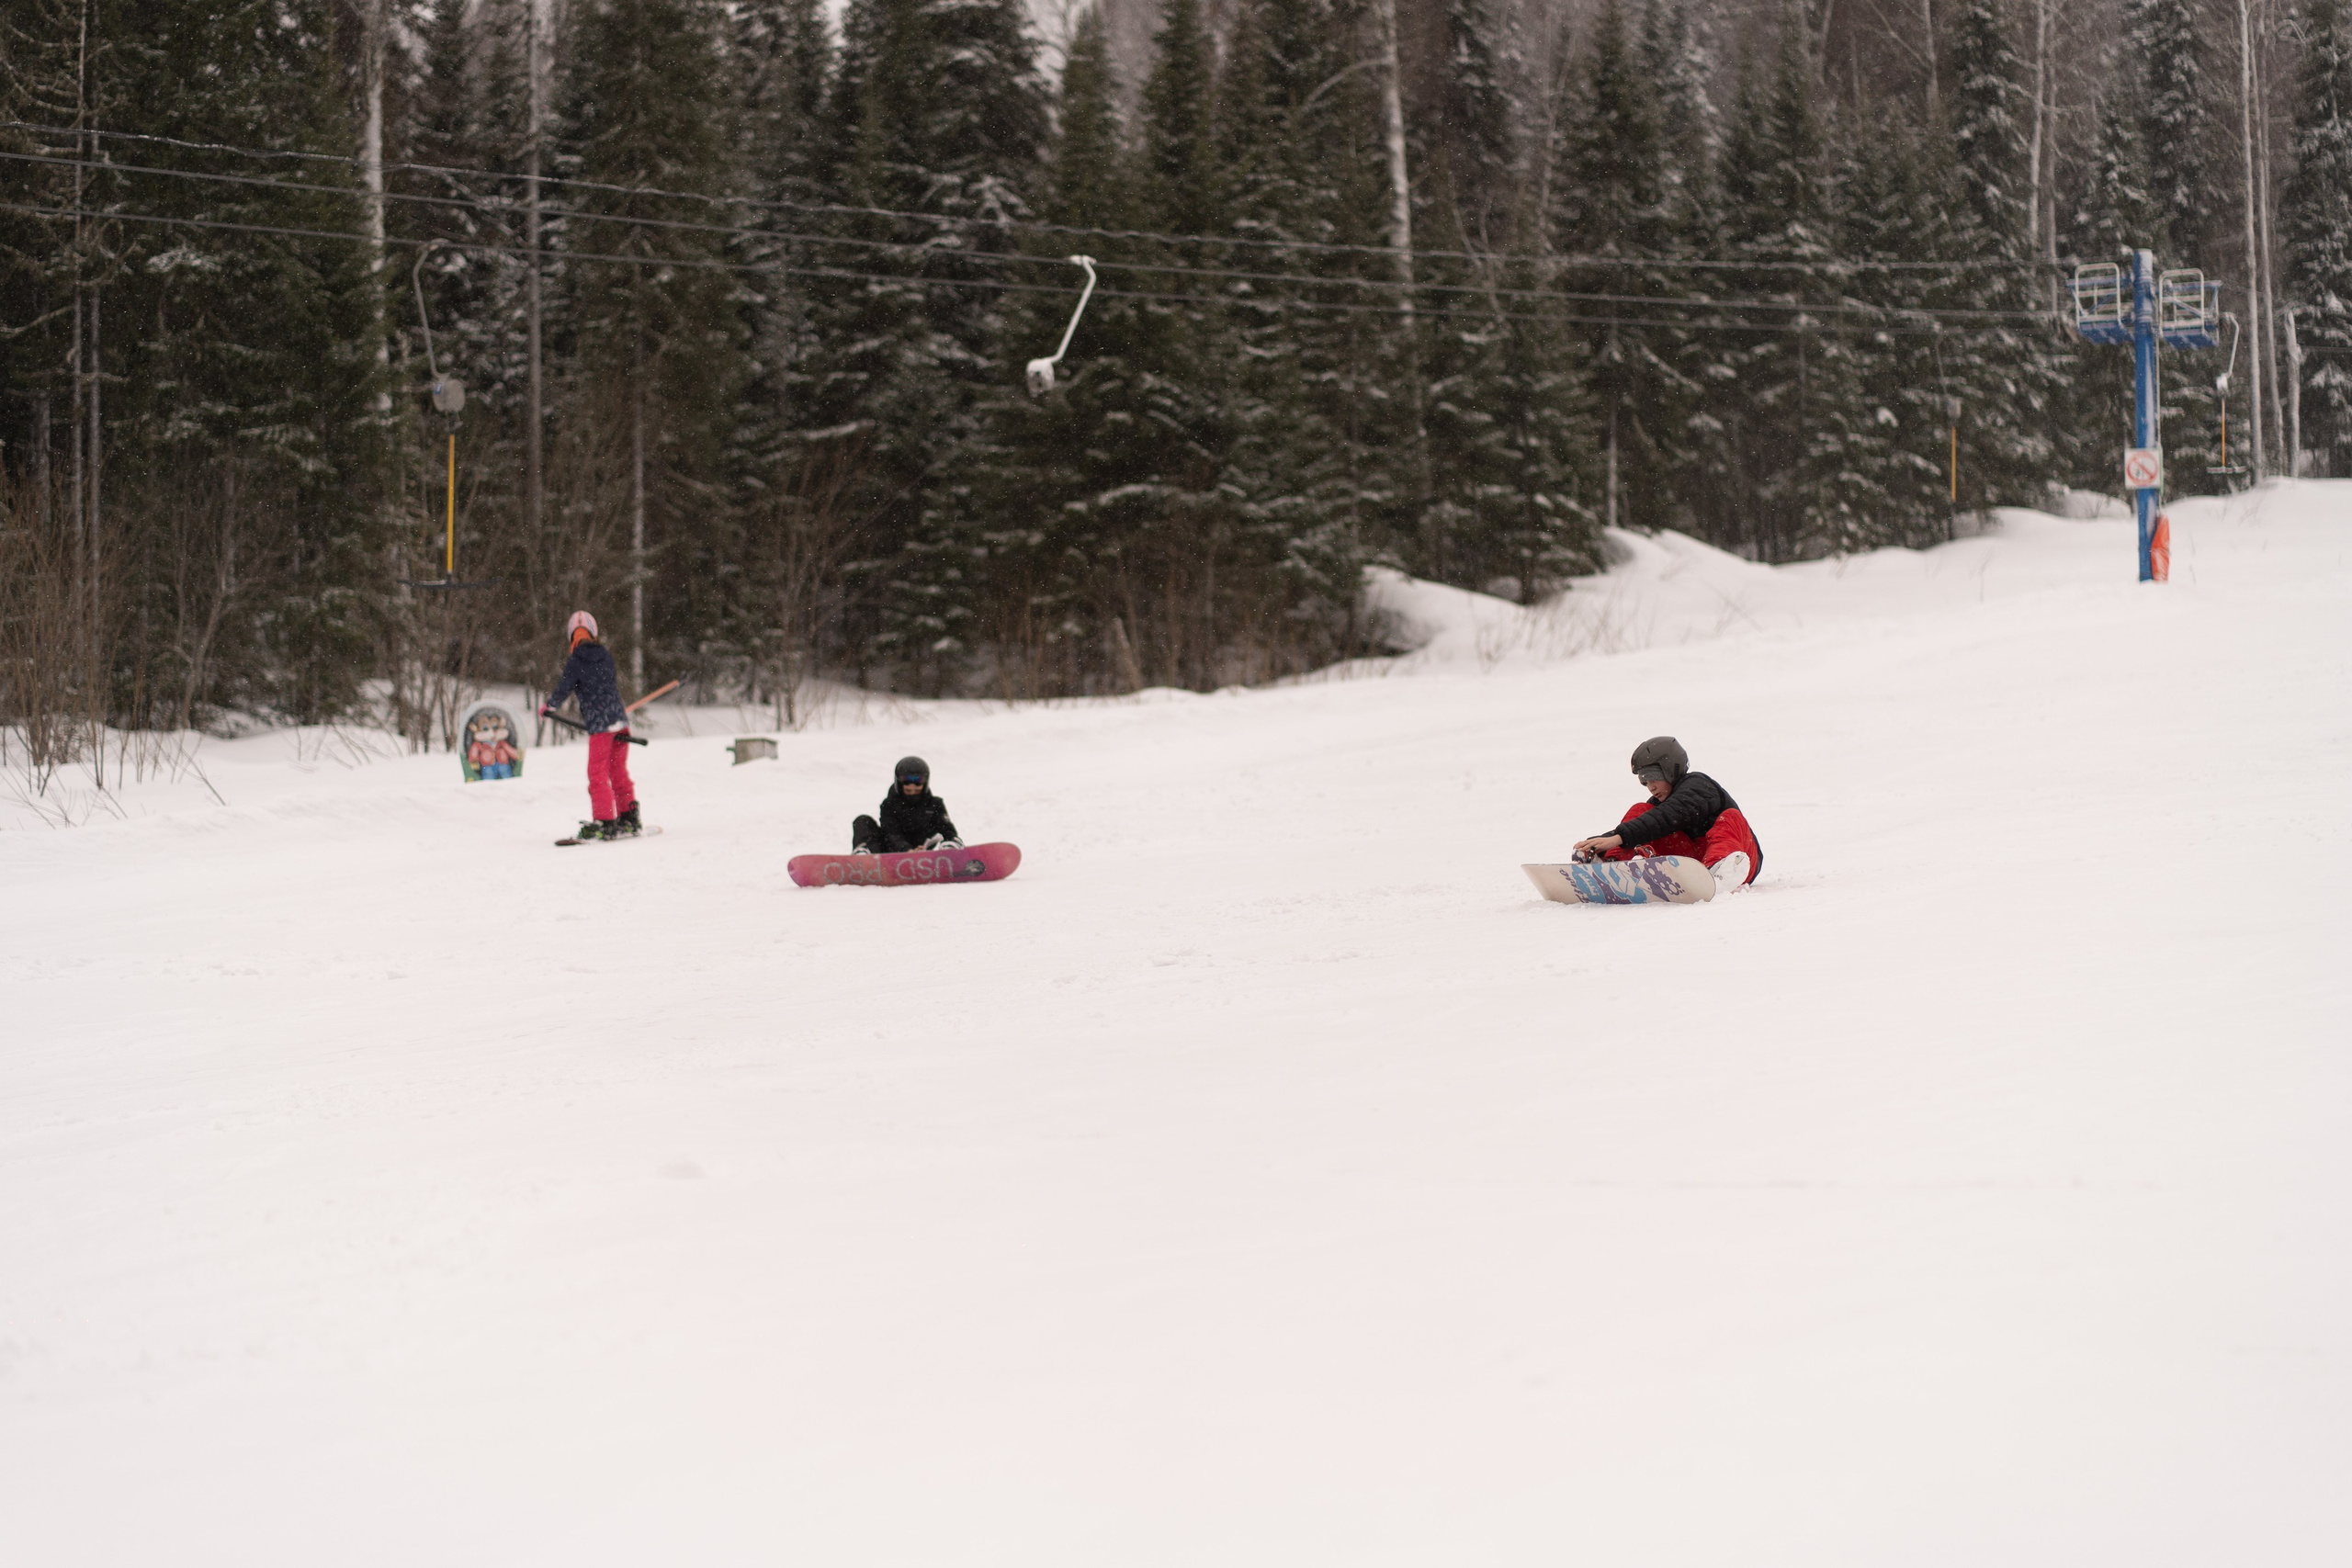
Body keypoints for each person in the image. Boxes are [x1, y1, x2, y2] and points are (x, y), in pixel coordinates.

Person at [1571, 736, 1761, 889]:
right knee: (1641, 811)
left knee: (1731, 817)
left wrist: (1619, 836)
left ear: (1671, 769)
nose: (1651, 787)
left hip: (1739, 860)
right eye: (1645, 781)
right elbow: (1647, 823)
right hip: (1695, 864)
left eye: (1654, 777)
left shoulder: (1699, 785)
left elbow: (1669, 815)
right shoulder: (1658, 804)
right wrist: (1602, 843)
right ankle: (1613, 864)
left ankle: (1719, 874)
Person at [540, 611, 640, 840]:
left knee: (597, 775)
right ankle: (629, 818)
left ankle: (605, 822)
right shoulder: (606, 655)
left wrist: (550, 706)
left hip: (601, 727)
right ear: (594, 632)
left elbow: (565, 687)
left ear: (571, 636)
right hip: (619, 721)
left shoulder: (576, 660)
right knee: (618, 772)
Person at [852, 756, 960, 854]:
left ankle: (951, 853)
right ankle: (864, 858)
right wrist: (906, 850)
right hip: (891, 852)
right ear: (899, 781)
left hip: (922, 851)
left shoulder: (934, 805)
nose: (912, 785)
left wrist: (948, 840)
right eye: (907, 781)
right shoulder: (889, 805)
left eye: (918, 780)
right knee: (863, 820)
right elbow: (891, 833)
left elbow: (947, 828)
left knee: (947, 831)